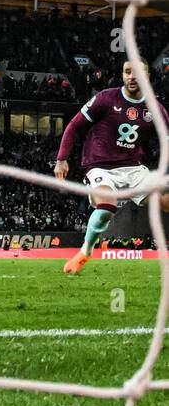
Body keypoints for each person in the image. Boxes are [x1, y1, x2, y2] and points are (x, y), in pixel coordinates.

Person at [54, 59, 169, 275]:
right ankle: (85, 252)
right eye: (127, 72)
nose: (132, 77)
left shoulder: (156, 108)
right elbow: (74, 125)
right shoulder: (106, 98)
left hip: (133, 168)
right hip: (99, 166)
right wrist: (62, 158)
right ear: (123, 75)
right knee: (108, 204)